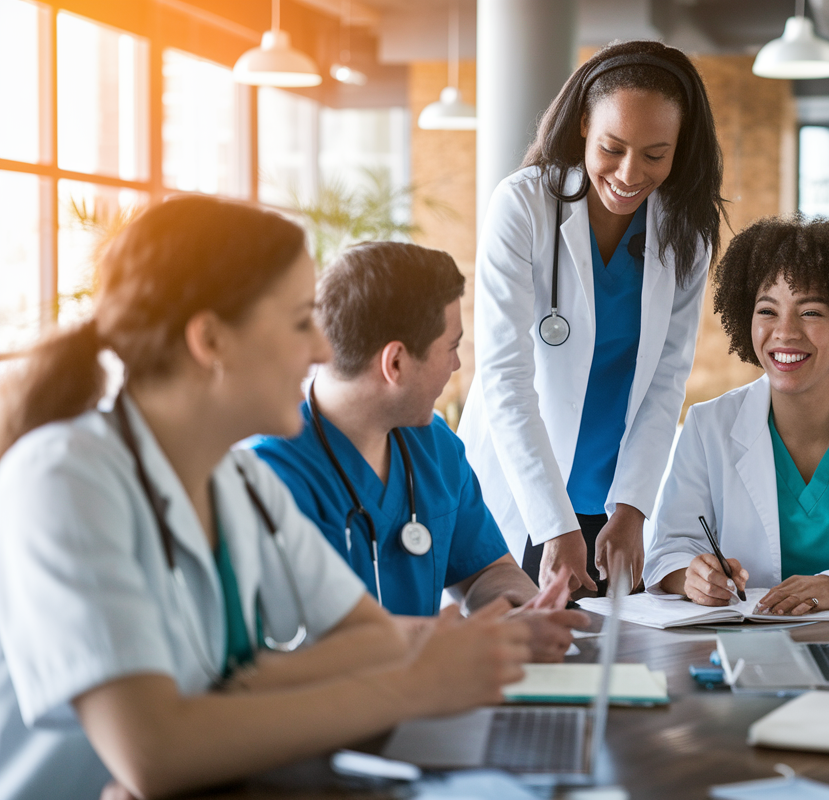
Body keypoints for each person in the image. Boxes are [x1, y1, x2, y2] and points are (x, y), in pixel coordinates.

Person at [0, 196, 530, 800]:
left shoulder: (239, 486)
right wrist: (416, 684)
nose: (324, 352)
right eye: (301, 321)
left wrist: (223, 699)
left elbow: (372, 638)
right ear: (210, 340)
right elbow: (154, 752)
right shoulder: (63, 477)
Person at [458, 39, 727, 595]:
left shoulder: (684, 233)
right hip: (522, 486)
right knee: (512, 657)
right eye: (612, 147)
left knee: (612, 663)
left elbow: (666, 380)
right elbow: (504, 376)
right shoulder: (523, 206)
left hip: (611, 501)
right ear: (582, 123)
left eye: (656, 154)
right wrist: (554, 525)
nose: (630, 173)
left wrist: (632, 507)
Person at [252, 242, 587, 662]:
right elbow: (313, 636)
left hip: (432, 704)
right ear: (395, 363)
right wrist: (473, 643)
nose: (456, 366)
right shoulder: (269, 473)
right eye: (452, 347)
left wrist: (523, 610)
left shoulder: (435, 446)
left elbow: (488, 570)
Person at [643, 215, 829, 614]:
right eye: (767, 311)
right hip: (746, 641)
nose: (785, 332)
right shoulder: (708, 425)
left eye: (810, 313)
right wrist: (693, 576)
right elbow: (669, 550)